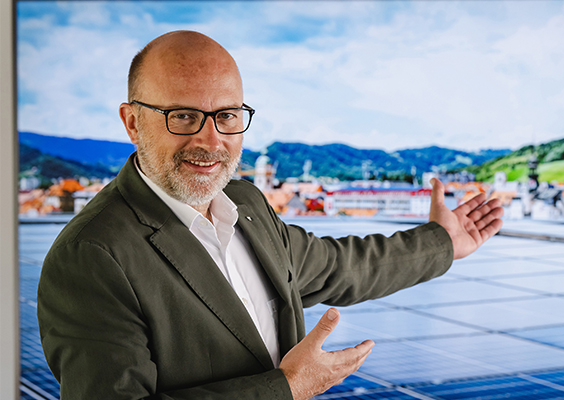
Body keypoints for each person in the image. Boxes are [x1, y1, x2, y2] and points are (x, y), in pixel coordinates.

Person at [37, 30, 503, 400]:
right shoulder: (91, 256)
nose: (211, 139)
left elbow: (341, 266)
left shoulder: (247, 204)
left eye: (227, 115)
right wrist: (289, 389)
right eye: (182, 116)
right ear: (132, 122)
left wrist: (444, 241)